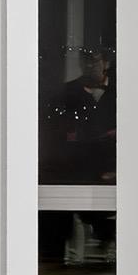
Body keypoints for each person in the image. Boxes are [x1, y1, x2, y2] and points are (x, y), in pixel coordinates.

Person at [46, 49, 116, 183]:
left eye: (94, 60)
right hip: (74, 170)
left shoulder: (120, 91)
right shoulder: (66, 92)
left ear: (106, 64)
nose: (89, 65)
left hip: (110, 172)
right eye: (85, 60)